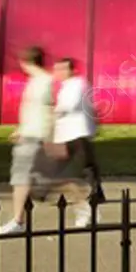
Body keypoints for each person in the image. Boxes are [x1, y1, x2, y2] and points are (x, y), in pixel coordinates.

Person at [0, 46, 53, 235]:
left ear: (26, 62)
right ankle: (43, 187)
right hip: (33, 133)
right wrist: (21, 128)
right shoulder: (41, 81)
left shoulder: (43, 82)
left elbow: (49, 110)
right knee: (28, 175)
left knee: (20, 178)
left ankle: (18, 220)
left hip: (34, 135)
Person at [52, 57, 106, 227]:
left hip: (76, 135)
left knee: (67, 175)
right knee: (66, 175)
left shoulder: (78, 84)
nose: (58, 73)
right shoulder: (66, 87)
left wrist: (51, 111)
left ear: (72, 70)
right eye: (57, 69)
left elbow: (71, 105)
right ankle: (89, 204)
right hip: (66, 135)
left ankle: (86, 208)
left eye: (62, 69)